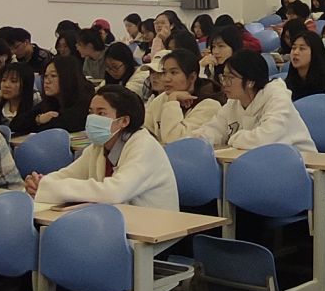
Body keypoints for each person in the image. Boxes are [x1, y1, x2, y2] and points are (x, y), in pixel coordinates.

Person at [29, 86, 178, 212]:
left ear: (124, 121)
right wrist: (40, 183)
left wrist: (51, 188)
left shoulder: (144, 146)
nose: (92, 118)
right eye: (91, 112)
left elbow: (115, 192)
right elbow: (68, 175)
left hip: (154, 228)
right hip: (118, 222)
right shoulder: (99, 146)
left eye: (101, 113)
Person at [198, 51, 317, 153]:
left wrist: (233, 138)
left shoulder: (278, 99)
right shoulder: (233, 102)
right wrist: (195, 140)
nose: (224, 83)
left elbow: (265, 139)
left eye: (230, 78)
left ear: (250, 82)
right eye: (223, 77)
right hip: (259, 162)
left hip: (302, 164)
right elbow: (214, 129)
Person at [142, 48, 223, 143]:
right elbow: (144, 132)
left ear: (192, 77)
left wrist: (172, 101)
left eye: (173, 73)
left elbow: (174, 141)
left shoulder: (209, 105)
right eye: (164, 72)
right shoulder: (160, 100)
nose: (166, 79)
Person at [30, 55, 93, 136]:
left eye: (53, 76)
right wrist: (38, 119)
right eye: (45, 76)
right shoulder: (52, 101)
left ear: (68, 77)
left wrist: (37, 123)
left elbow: (55, 128)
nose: (47, 81)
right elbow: (18, 123)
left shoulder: (84, 102)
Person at [283, 29, 325, 99]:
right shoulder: (285, 85)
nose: (295, 52)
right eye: (293, 48)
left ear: (314, 53)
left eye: (302, 48)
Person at [0, 63, 41, 137]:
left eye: (13, 81)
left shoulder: (36, 106)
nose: (6, 85)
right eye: (4, 80)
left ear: (26, 83)